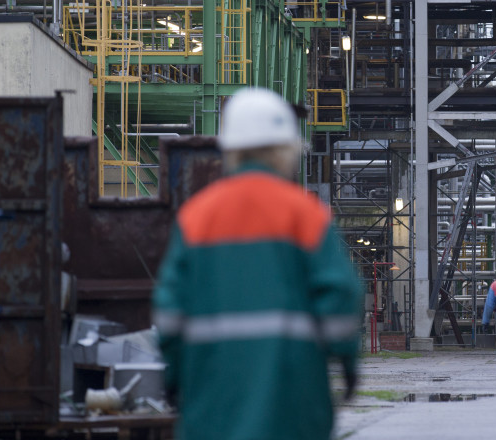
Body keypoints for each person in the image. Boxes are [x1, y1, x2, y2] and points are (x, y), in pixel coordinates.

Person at [152, 87, 362, 440]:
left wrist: (172, 377)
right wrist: (348, 365)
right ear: (286, 150)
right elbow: (341, 297)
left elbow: (170, 313)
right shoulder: (305, 215)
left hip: (212, 400)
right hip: (292, 400)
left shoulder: (196, 218)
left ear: (229, 151)